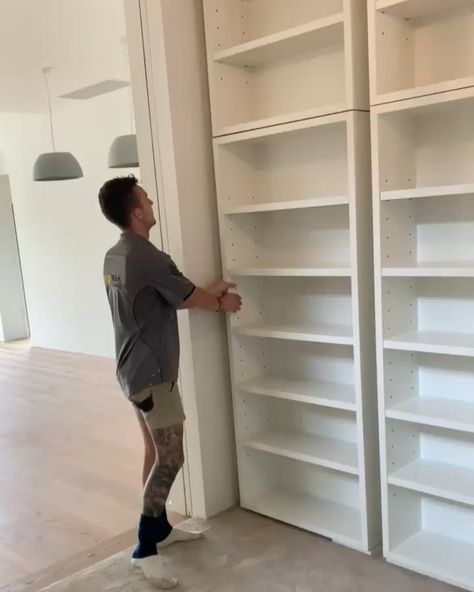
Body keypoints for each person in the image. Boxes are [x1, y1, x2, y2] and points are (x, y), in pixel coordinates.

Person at [98, 175, 242, 588]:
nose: (152, 202)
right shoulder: (149, 257)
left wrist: (207, 293)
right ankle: (145, 548)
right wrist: (221, 303)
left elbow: (171, 295)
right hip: (153, 376)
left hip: (130, 370)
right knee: (171, 456)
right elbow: (188, 298)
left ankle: (160, 528)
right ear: (137, 211)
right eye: (146, 198)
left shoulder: (115, 256)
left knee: (153, 449)